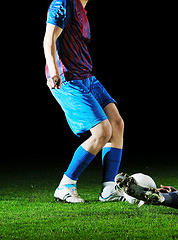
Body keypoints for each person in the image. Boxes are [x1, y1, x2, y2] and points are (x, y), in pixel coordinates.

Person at [43, 0, 124, 203]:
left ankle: (108, 189)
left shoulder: (81, 9)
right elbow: (48, 39)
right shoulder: (63, 2)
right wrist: (53, 72)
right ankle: (66, 185)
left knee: (116, 123)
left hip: (87, 77)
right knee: (102, 131)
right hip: (67, 80)